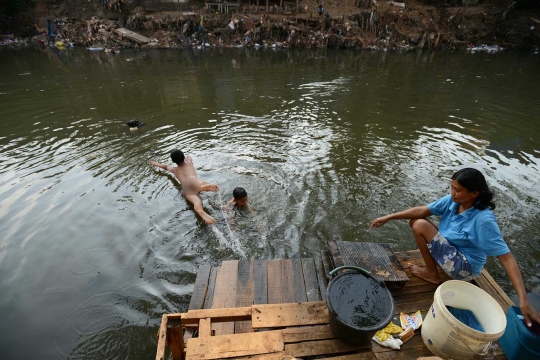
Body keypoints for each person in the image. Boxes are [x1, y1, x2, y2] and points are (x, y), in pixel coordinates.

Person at [370, 168, 540, 327]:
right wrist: (389, 217)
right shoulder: (454, 201)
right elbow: (423, 210)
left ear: (474, 193)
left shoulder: (483, 220)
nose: (452, 192)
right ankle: (433, 270)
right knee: (416, 221)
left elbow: (506, 258)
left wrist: (523, 298)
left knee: (420, 225)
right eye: (451, 187)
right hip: (453, 252)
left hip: (464, 268)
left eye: (457, 190)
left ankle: (432, 273)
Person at [149, 150, 218, 224]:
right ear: (183, 157)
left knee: (197, 202)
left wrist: (155, 163)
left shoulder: (174, 170)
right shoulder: (189, 163)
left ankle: (200, 211)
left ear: (172, 161)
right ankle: (202, 188)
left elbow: (165, 166)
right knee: (214, 187)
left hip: (186, 189)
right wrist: (188, 157)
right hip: (195, 182)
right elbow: (189, 157)